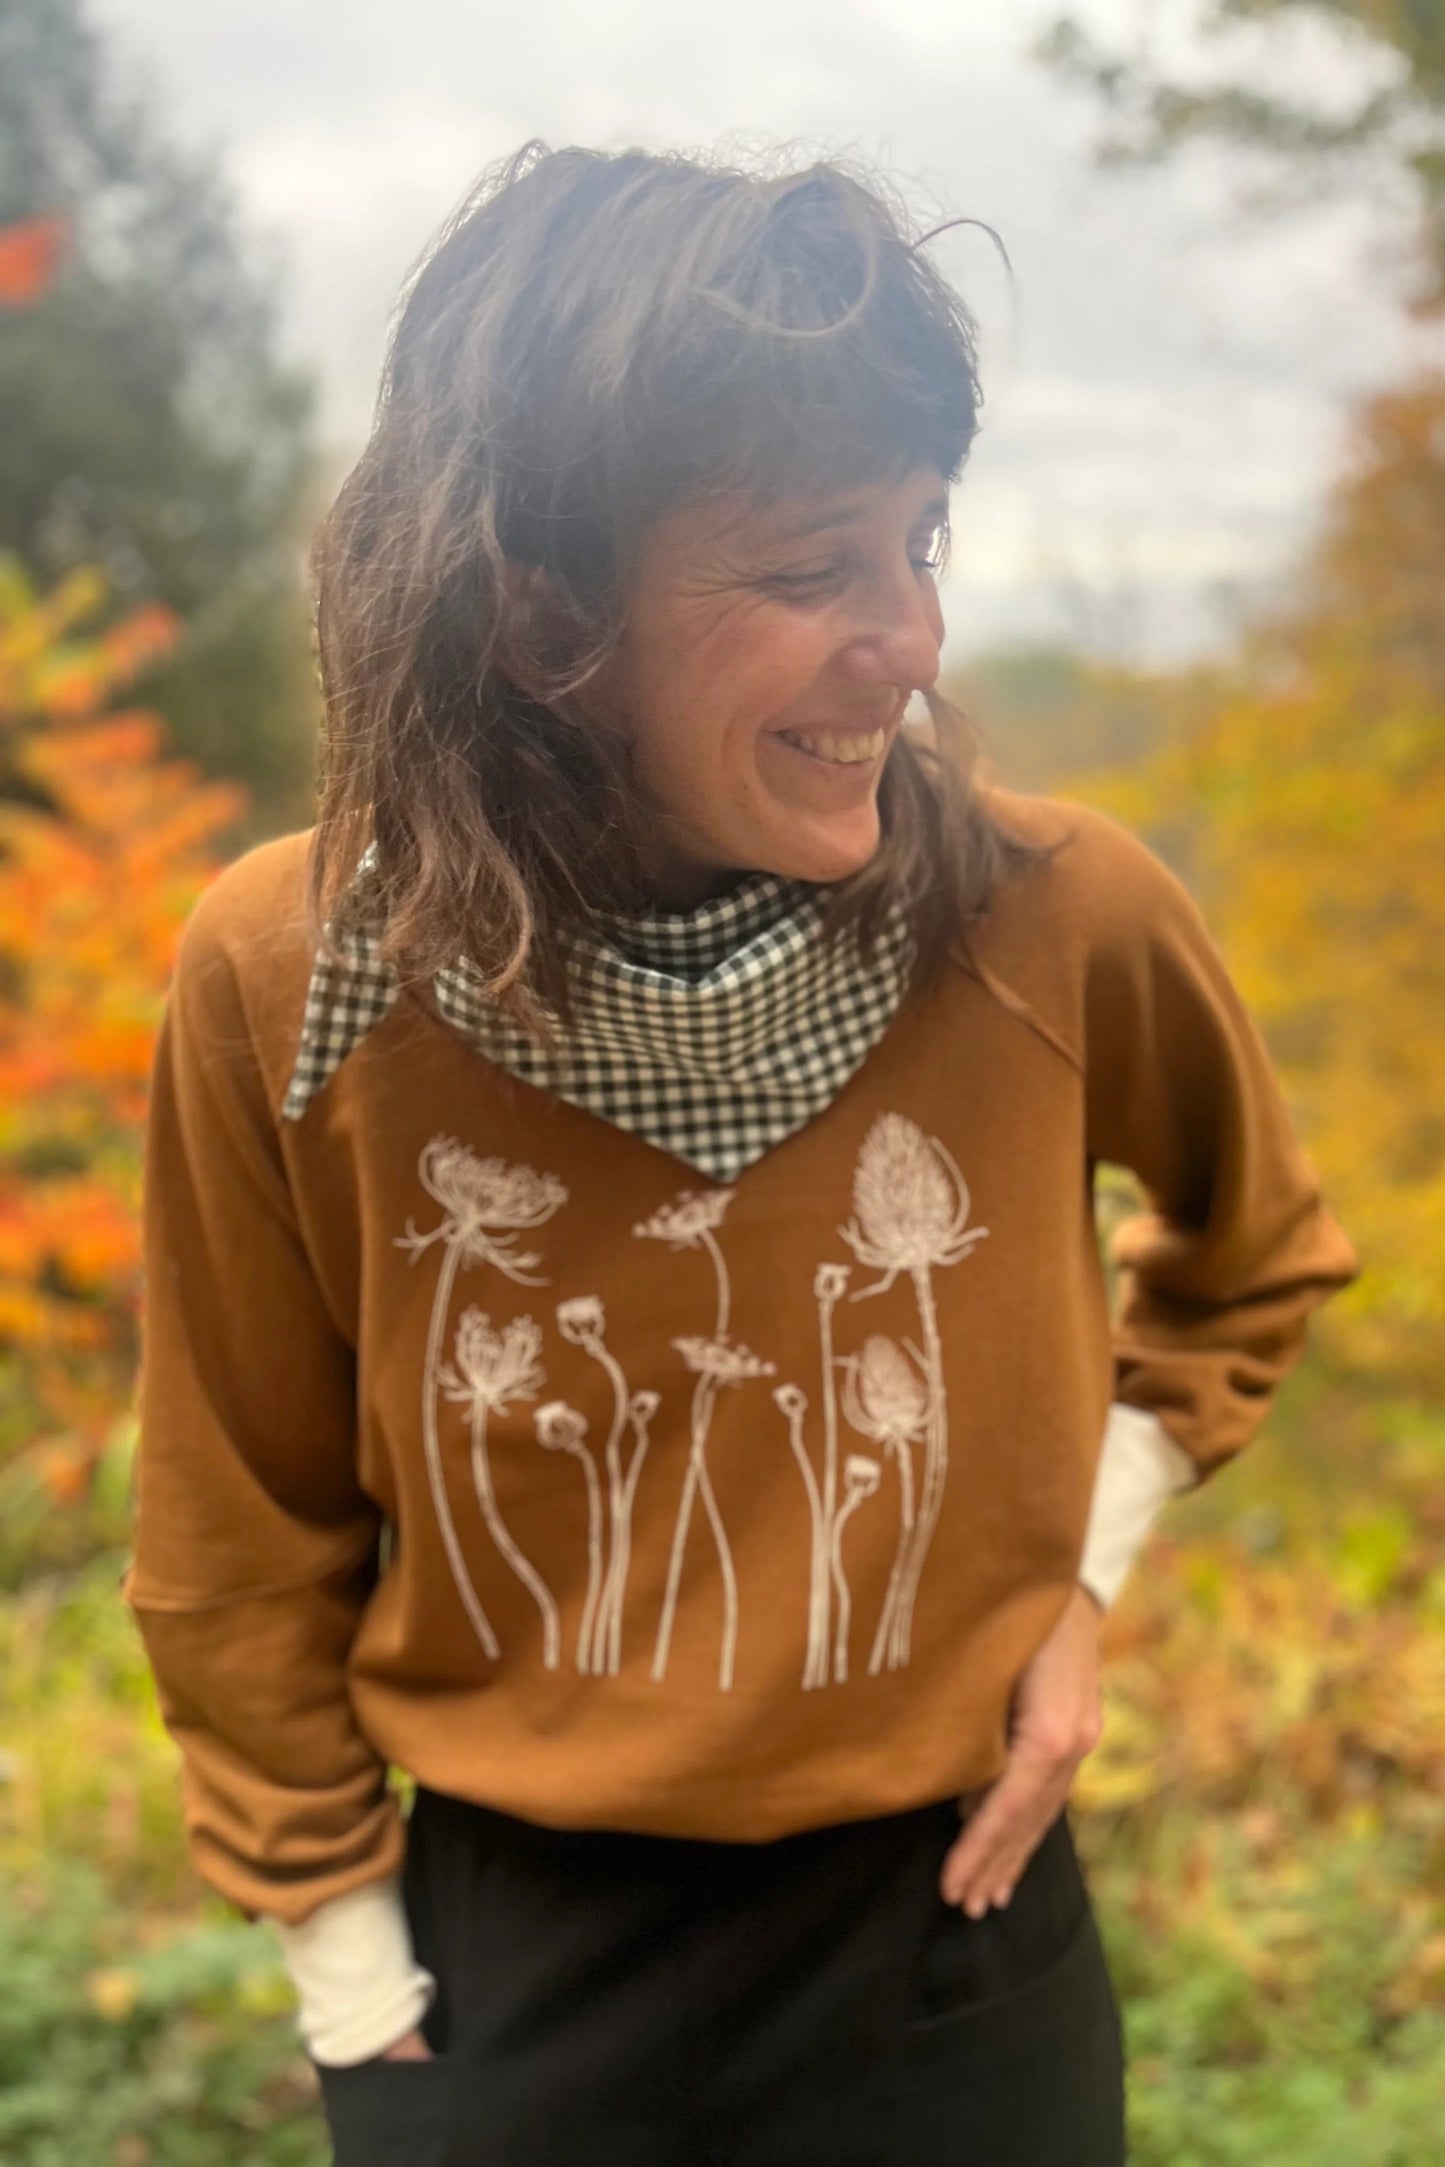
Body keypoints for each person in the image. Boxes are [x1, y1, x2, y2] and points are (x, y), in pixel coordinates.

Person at [121, 141, 1360, 2166]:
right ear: (540, 617)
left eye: (921, 543)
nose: (911, 642)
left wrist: (1078, 1574)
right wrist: (360, 1998)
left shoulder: (1055, 917)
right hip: (512, 1983)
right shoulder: (296, 977)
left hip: (959, 1947)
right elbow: (238, 1522)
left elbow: (1253, 1260)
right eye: (810, 572)